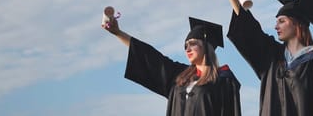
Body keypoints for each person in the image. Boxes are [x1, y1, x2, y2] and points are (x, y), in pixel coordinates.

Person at [223, 0, 313, 116]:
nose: (276, 26)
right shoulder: (270, 56)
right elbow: (249, 29)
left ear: (298, 24)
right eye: (277, 22)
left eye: (282, 21)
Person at [102, 12, 242, 116]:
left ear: (207, 47)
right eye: (185, 45)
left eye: (193, 44)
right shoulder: (181, 76)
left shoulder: (223, 80)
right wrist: (118, 33)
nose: (187, 49)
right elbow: (151, 58)